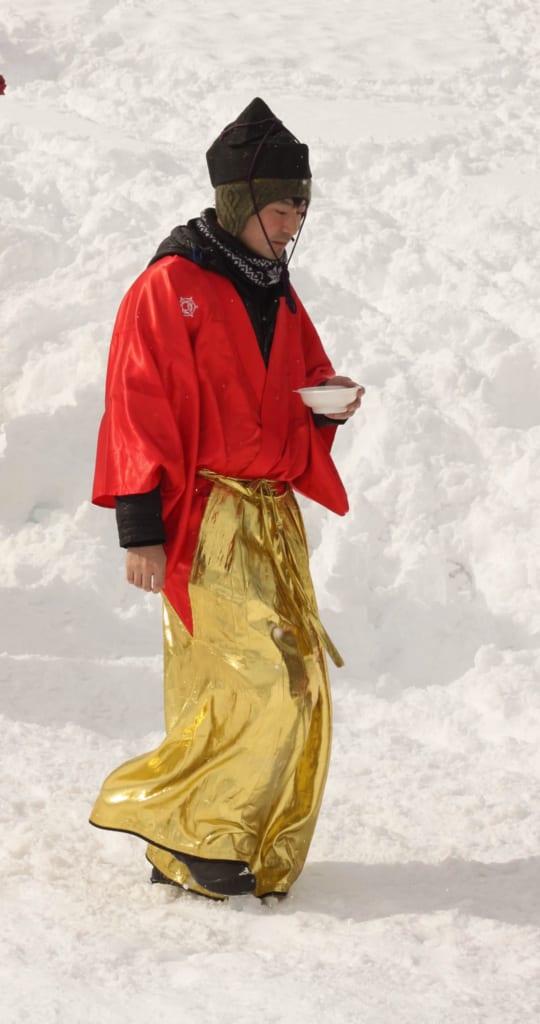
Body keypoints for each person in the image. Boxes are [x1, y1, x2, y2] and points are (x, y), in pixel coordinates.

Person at [89, 97, 363, 900]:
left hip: (270, 517)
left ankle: (233, 835)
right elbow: (135, 404)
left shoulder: (274, 285)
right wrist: (140, 528)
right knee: (256, 681)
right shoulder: (169, 286)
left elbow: (302, 375)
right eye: (283, 209)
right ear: (242, 203)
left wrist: (330, 397)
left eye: (302, 211)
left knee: (301, 682)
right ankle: (180, 825)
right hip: (203, 520)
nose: (293, 226)